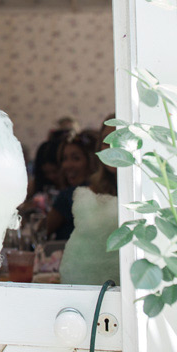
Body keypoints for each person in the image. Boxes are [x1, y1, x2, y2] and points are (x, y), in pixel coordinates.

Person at [59, 118, 120, 285]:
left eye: (119, 139)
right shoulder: (91, 192)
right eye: (107, 141)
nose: (112, 146)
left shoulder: (142, 192)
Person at [45, 132, 97, 240]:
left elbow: (42, 231)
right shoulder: (106, 190)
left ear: (91, 161)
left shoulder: (70, 195)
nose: (67, 165)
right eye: (64, 159)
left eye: (76, 158)